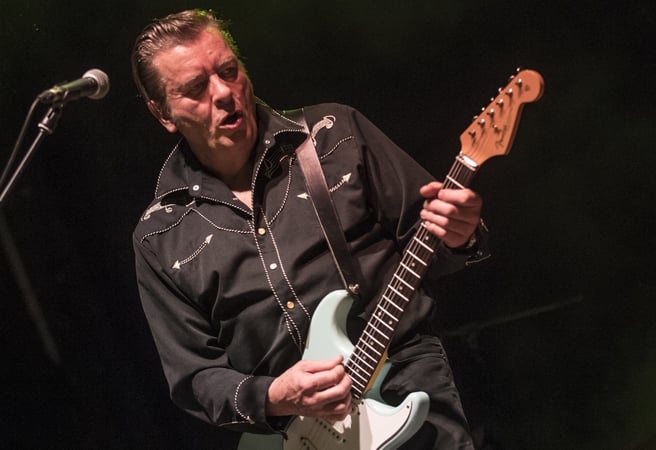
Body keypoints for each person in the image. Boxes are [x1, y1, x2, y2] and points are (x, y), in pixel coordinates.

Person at [131, 9, 489, 449]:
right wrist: (274, 396)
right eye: (195, 89)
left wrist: (460, 232)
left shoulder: (333, 134)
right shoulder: (159, 235)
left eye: (228, 71)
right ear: (162, 113)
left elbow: (435, 235)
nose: (223, 93)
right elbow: (195, 379)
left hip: (405, 385)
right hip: (293, 435)